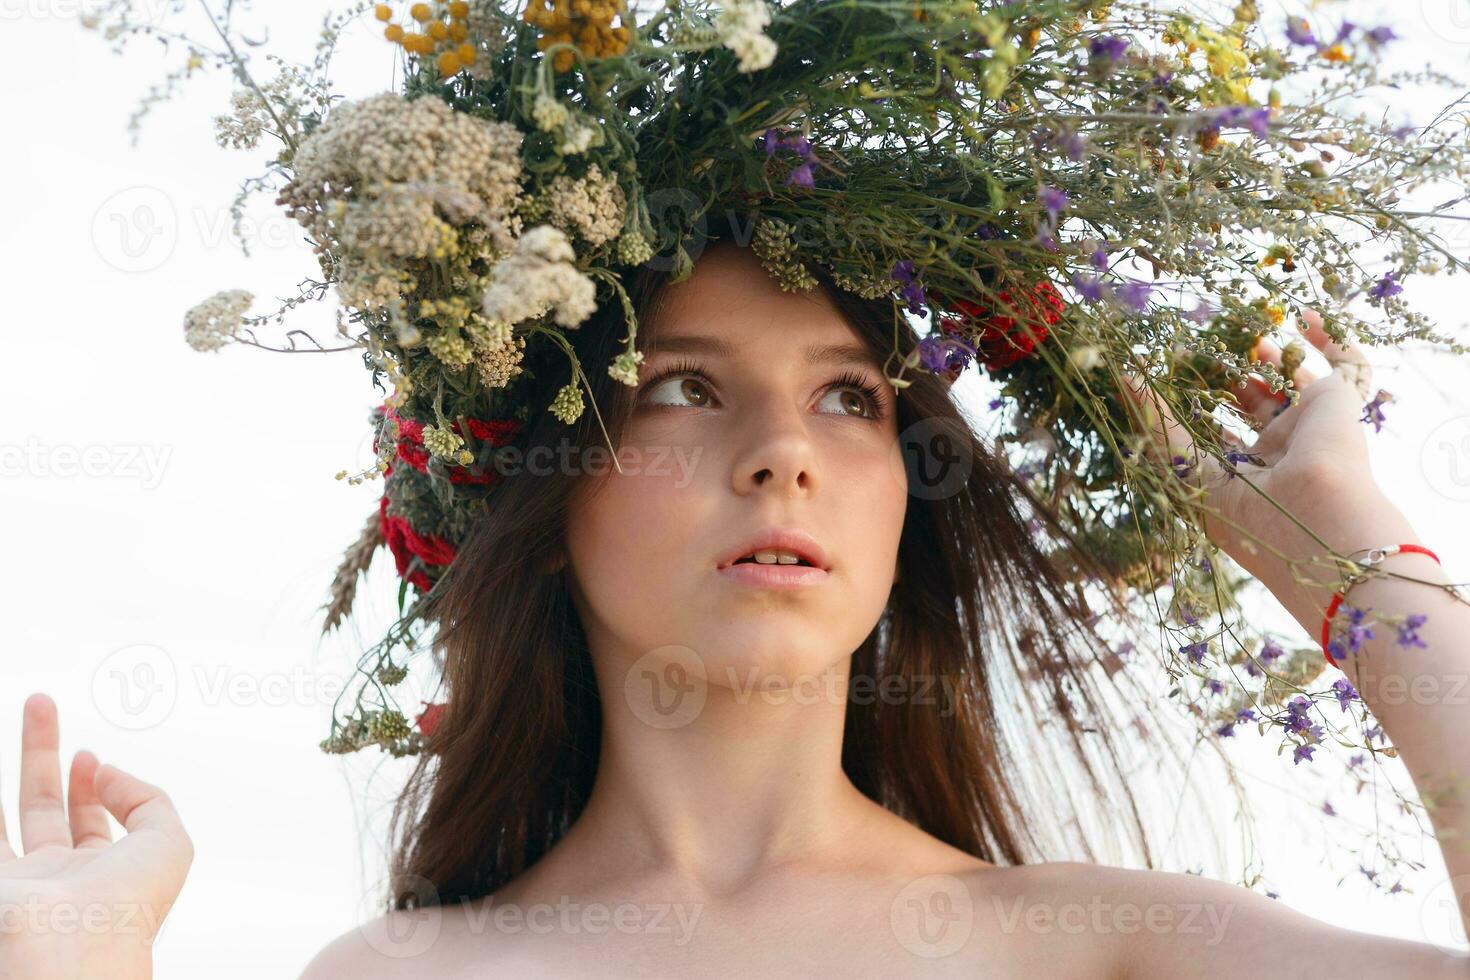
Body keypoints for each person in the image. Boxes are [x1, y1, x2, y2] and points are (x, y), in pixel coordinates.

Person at [5, 239, 1466, 977]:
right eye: (685, 388)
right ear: (544, 484)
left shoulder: (1114, 950)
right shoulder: (399, 976)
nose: (780, 453)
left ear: (908, 492)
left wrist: (1351, 555)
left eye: (849, 398)